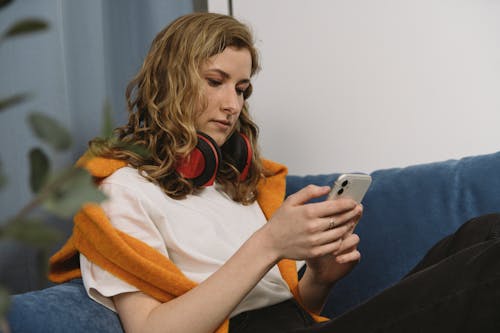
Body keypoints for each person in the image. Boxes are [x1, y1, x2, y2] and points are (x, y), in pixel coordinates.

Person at [48, 12, 500, 333]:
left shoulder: (233, 186)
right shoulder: (120, 194)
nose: (232, 105)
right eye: (215, 81)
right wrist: (269, 244)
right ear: (170, 80)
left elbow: (288, 310)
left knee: (486, 231)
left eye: (242, 89)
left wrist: (320, 277)